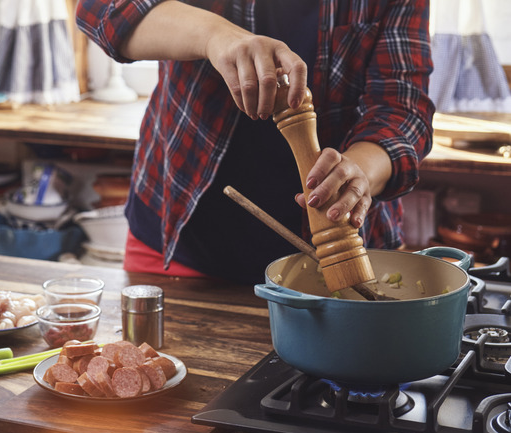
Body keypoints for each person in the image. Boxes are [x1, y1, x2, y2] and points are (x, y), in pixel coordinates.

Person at [76, 0, 435, 284]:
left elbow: (403, 107)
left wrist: (358, 172)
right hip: (178, 240)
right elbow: (104, 10)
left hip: (340, 258)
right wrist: (215, 35)